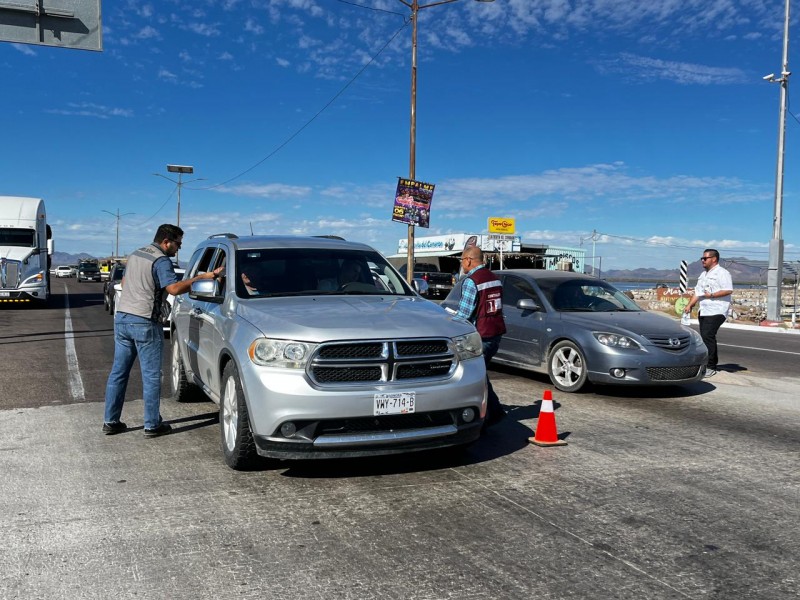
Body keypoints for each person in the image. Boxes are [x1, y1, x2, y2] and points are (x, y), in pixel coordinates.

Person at [103, 224, 225, 437]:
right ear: (166, 241)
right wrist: (201, 278)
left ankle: (110, 421)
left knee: (118, 373)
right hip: (145, 322)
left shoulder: (136, 254)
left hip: (122, 318)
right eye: (178, 243)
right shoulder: (161, 260)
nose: (179, 248)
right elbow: (174, 289)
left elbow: (124, 282)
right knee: (151, 376)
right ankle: (152, 425)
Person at [452, 246, 507, 428]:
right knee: (481, 373)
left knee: (475, 374)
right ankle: (494, 411)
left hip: (481, 335)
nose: (462, 264)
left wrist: (448, 320)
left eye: (461, 260)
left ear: (468, 260)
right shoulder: (495, 279)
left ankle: (490, 413)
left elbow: (464, 315)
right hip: (496, 332)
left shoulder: (472, 281)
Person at [683, 248, 733, 378]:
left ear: (714, 259)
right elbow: (698, 292)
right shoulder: (703, 275)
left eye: (705, 258)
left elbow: (728, 290)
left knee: (708, 336)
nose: (702, 261)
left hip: (717, 310)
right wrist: (690, 305)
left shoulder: (722, 273)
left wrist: (712, 295)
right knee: (705, 337)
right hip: (704, 310)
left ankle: (711, 366)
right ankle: (707, 363)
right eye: (702, 258)